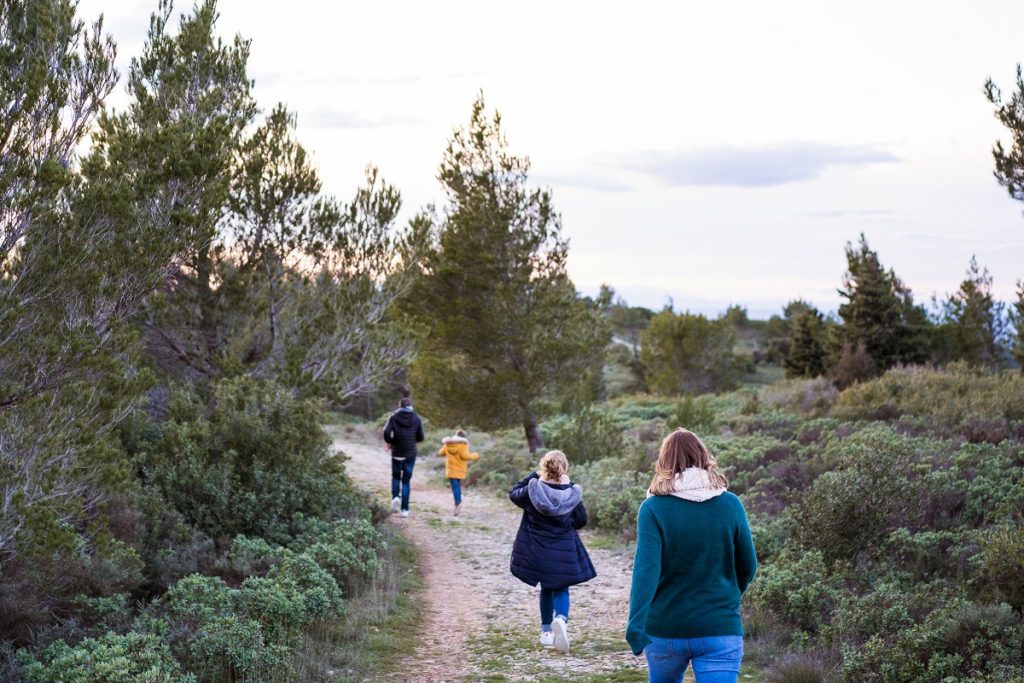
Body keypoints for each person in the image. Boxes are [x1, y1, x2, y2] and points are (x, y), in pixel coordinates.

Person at [626, 428, 758, 683]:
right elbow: (748, 566)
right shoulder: (731, 504)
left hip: (665, 629)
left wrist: (636, 623)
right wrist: (726, 596)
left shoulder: (653, 508)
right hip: (720, 626)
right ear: (702, 456)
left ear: (664, 463)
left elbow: (646, 572)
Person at [509, 450, 596, 654]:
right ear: (564, 469)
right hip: (563, 549)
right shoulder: (572, 492)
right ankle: (561, 619)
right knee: (561, 587)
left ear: (544, 468)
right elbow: (581, 520)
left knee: (546, 588)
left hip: (538, 549)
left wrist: (534, 476)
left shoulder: (532, 491)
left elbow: (514, 493)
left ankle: (546, 631)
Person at [382, 397, 424, 518]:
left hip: (397, 452)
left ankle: (396, 497)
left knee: (396, 477)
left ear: (399, 405)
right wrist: (411, 440)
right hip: (410, 453)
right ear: (410, 406)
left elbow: (386, 432)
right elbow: (421, 437)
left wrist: (390, 441)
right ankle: (405, 509)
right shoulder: (416, 418)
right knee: (406, 481)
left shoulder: (393, 417)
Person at [437, 429, 480, 515]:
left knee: (455, 487)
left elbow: (440, 453)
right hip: (460, 469)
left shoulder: (448, 443)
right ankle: (458, 502)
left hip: (451, 469)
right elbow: (465, 456)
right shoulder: (463, 445)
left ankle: (458, 503)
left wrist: (446, 449)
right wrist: (475, 455)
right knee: (457, 486)